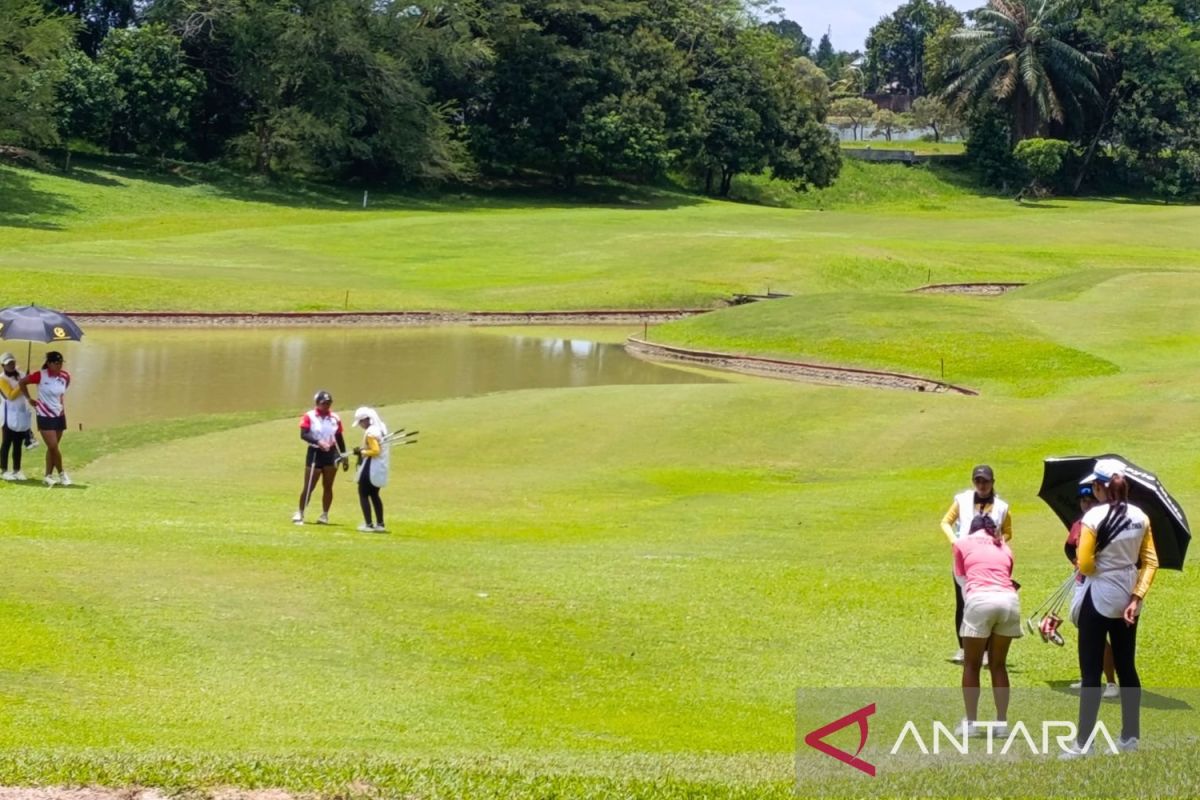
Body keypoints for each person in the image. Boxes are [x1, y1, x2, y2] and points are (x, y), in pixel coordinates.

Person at [1063, 459, 1158, 757]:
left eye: (1094, 485)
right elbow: (1150, 560)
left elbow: (1088, 563)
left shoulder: (1093, 517)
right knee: (1126, 666)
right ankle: (1130, 737)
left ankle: (1083, 743)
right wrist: (1137, 596)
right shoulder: (1140, 516)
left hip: (1098, 594)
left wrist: (1086, 563)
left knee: (1091, 673)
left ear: (1102, 487)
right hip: (1128, 595)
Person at [953, 514, 1021, 736]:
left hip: (980, 600)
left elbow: (961, 578)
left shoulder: (961, 544)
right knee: (998, 665)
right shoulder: (1005, 548)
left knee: (971, 665)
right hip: (1009, 601)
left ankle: (971, 723)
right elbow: (1008, 577)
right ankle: (1001, 724)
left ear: (972, 530)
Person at [940, 465, 1013, 663]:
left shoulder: (1001, 506)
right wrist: (955, 541)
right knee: (963, 603)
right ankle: (964, 648)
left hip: (989, 560)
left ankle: (987, 651)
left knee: (986, 601)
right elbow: (946, 522)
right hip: (965, 559)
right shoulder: (962, 500)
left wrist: (1000, 540)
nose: (981, 485)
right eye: (978, 481)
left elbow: (1008, 532)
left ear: (992, 482)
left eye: (985, 481)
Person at [1065, 484, 1119, 698]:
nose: (1085, 503)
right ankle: (1088, 676)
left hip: (1101, 582)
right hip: (1082, 581)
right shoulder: (1079, 523)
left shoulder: (1104, 523)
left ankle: (1111, 682)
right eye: (1082, 500)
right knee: (1085, 631)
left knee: (1101, 632)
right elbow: (1069, 546)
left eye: (1090, 500)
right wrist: (1075, 560)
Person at [292, 390, 348, 525]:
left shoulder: (335, 417)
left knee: (328, 486)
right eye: (324, 403)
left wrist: (344, 455)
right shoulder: (309, 416)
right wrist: (318, 442)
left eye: (329, 403)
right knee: (309, 485)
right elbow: (304, 434)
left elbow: (339, 437)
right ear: (317, 403)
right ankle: (300, 512)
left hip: (331, 453)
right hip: (315, 452)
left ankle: (324, 515)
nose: (327, 405)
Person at [17, 351, 71, 487]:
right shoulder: (40, 375)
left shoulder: (65, 376)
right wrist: (29, 399)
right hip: (44, 414)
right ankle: (62, 474)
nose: (59, 366)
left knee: (53, 448)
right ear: (49, 363)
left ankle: (47, 476)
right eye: (56, 363)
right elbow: (22, 382)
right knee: (52, 446)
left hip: (59, 415)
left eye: (61, 363)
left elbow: (62, 391)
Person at [351, 406, 390, 533]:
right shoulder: (381, 427)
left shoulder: (371, 432)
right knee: (374, 494)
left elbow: (375, 450)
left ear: (366, 420)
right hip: (380, 467)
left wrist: (362, 451)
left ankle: (368, 524)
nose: (361, 425)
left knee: (363, 493)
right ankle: (380, 524)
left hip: (371, 466)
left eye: (361, 422)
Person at [1, 352, 37, 481]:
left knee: (18, 443)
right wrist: (22, 383)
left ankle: (17, 470)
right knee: (6, 443)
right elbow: (10, 396)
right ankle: (3, 470)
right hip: (7, 415)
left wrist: (28, 378)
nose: (11, 365)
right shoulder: (2, 379)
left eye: (12, 362)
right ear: (3, 366)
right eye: (8, 363)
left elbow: (26, 388)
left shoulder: (21, 375)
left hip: (21, 413)